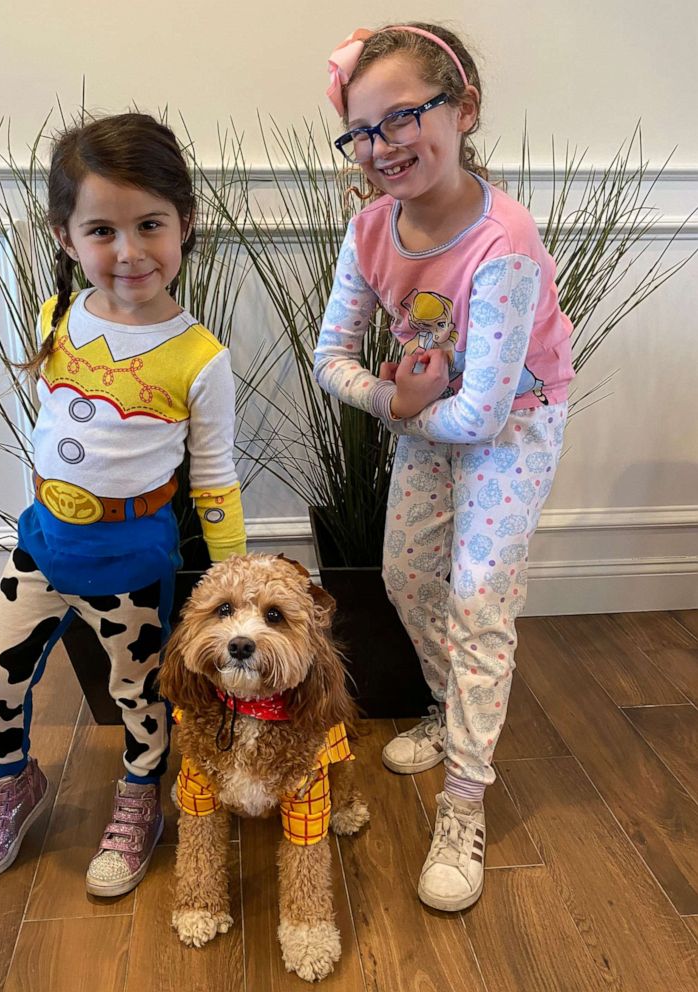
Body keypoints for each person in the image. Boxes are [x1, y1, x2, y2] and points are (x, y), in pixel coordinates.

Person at [315, 24, 573, 911]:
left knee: (478, 597)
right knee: (405, 573)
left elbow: (487, 412)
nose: (382, 146)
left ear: (463, 109)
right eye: (363, 130)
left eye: (404, 117)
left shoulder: (503, 246)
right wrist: (396, 404)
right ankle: (442, 704)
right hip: (429, 415)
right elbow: (331, 356)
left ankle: (465, 794)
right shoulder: (367, 231)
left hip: (511, 426)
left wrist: (410, 405)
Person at [0, 112, 246, 897]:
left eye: (150, 224)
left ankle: (139, 798)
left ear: (184, 223)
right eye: (102, 230)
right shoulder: (58, 317)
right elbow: (49, 429)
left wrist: (234, 585)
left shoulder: (200, 356)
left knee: (140, 695)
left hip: (131, 563)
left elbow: (214, 476)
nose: (128, 252)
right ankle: (11, 782)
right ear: (65, 235)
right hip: (44, 548)